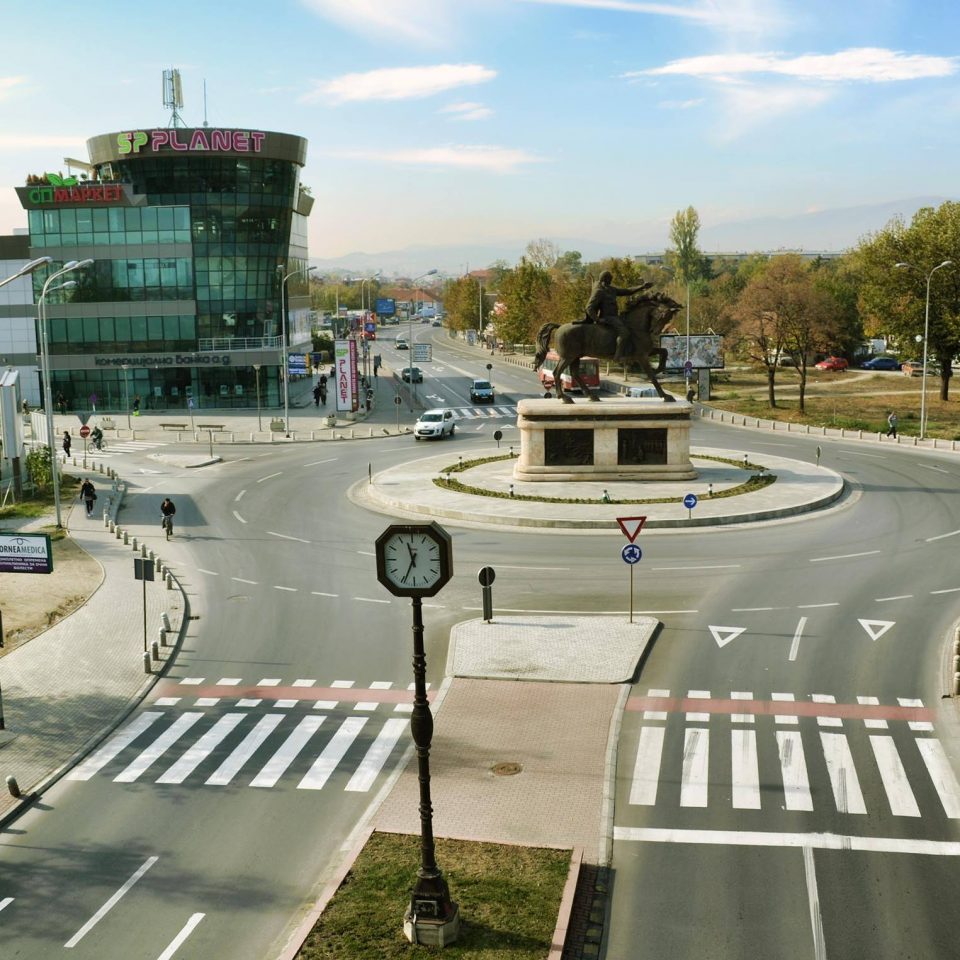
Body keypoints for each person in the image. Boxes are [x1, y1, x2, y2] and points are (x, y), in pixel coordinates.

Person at [577, 270, 652, 361]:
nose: (611, 280)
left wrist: (642, 287)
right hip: (607, 318)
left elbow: (627, 291)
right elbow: (589, 307)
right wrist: (597, 319)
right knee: (625, 333)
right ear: (604, 279)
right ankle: (618, 356)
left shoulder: (612, 289)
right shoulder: (599, 291)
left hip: (615, 317)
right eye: (610, 279)